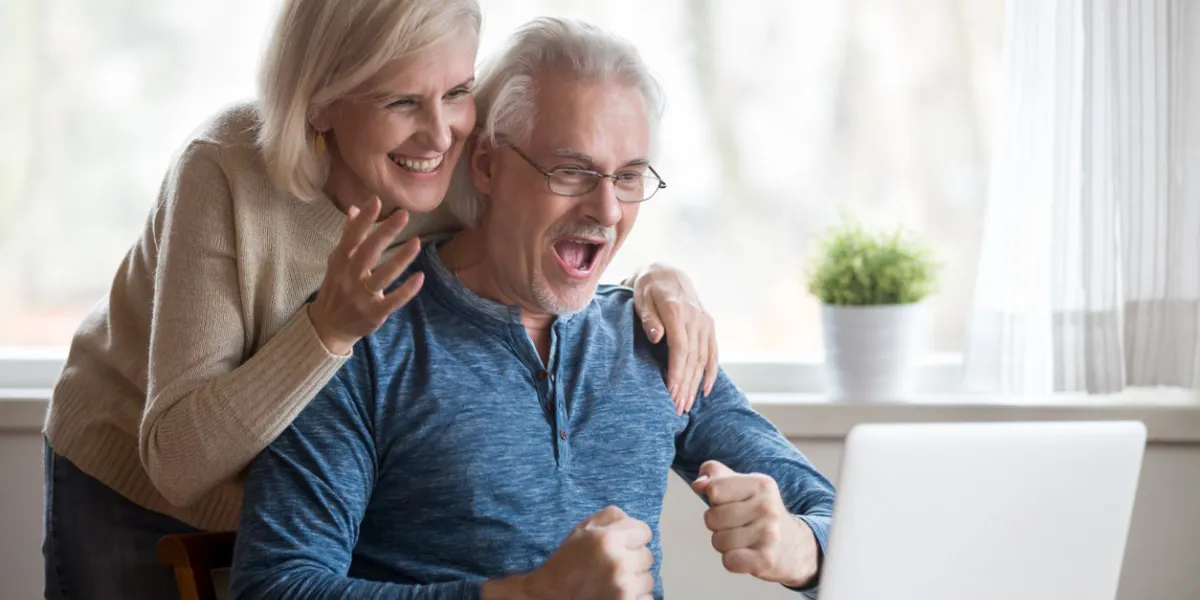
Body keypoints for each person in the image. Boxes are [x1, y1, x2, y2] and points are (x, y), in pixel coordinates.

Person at [41, 2, 721, 598]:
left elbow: (546, 233)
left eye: (456, 91)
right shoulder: (224, 172)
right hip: (136, 472)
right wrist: (326, 334)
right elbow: (178, 462)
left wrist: (651, 282)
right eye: (401, 102)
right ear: (320, 101)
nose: (440, 135)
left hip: (294, 492)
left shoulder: (453, 162)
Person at [230, 17, 836, 600]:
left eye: (628, 176)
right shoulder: (364, 334)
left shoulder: (651, 336)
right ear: (488, 164)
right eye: (572, 171)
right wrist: (522, 595)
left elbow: (834, 515)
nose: (606, 209)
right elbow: (275, 585)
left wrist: (801, 549)